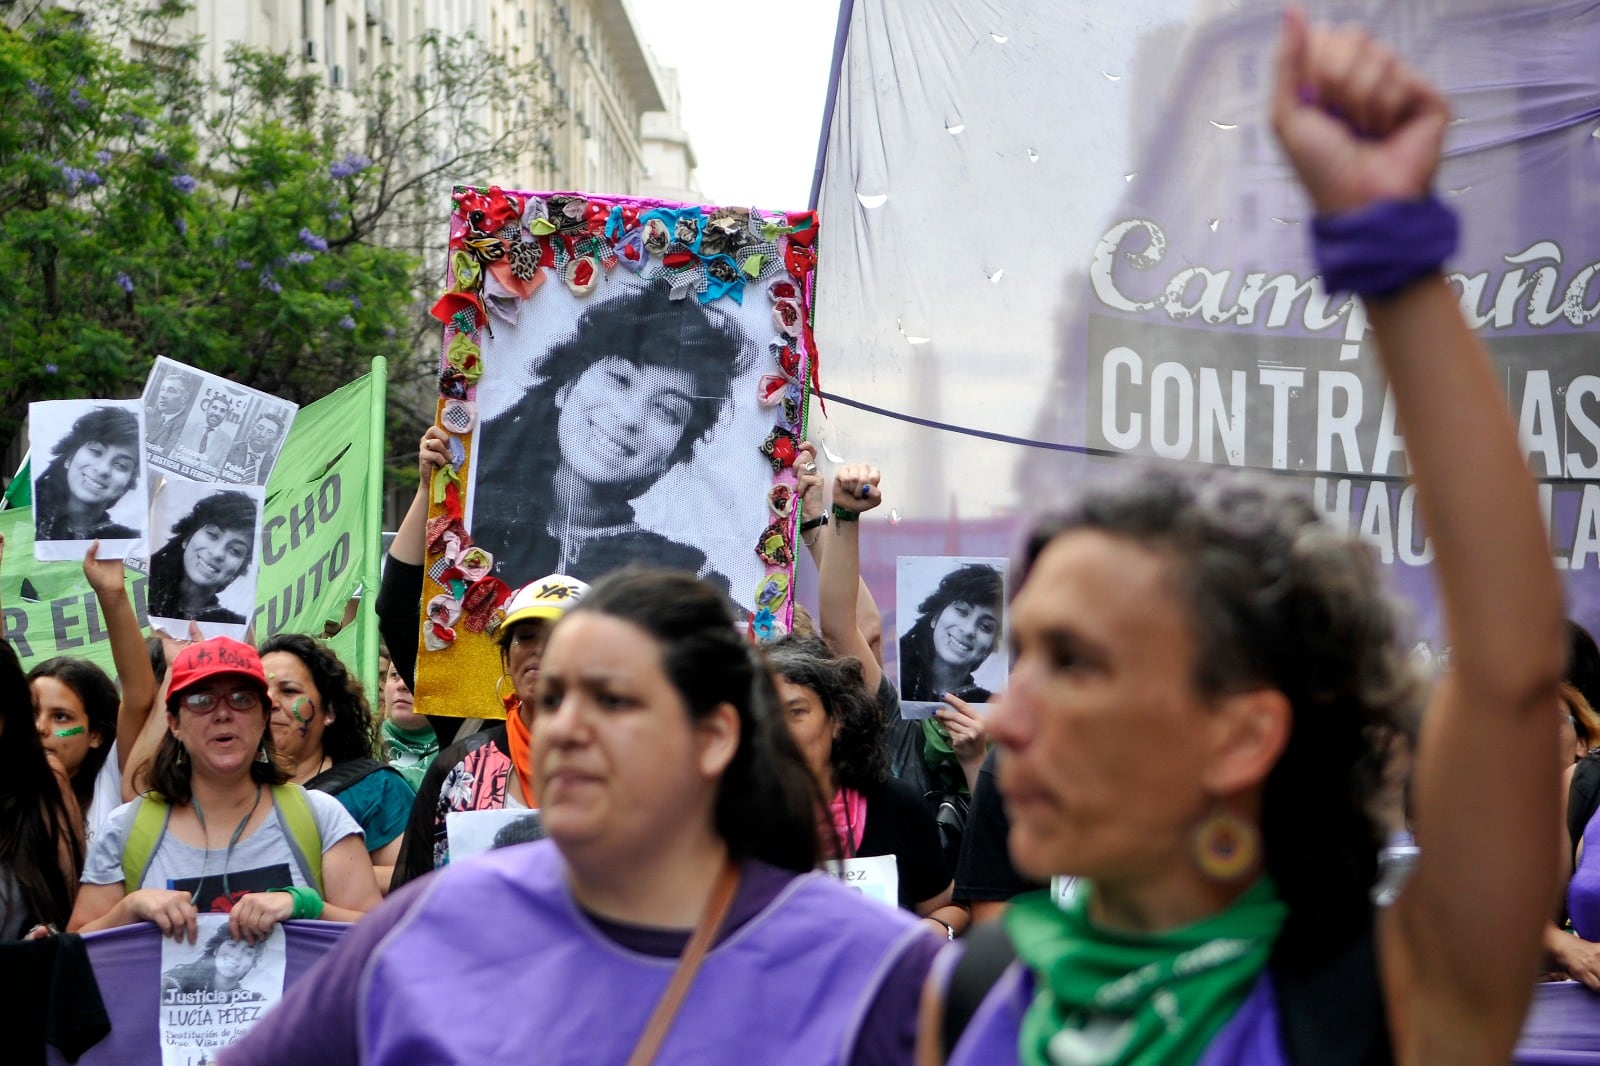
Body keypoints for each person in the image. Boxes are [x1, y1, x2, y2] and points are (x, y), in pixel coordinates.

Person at [929, 16, 1566, 1065]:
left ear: (1239, 734)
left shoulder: (1396, 996)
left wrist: (1388, 249)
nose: (1010, 714)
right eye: (1024, 653)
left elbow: (1508, 669)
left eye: (1077, 662)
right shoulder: (980, 992)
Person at [223, 569, 941, 1065]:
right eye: (556, 697)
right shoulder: (434, 924)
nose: (565, 727)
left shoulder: (877, 968)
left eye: (614, 700)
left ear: (716, 736)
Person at [69, 637, 381, 940]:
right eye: (202, 700)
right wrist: (130, 909)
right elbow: (76, 947)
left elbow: (382, 937)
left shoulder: (320, 816)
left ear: (263, 716)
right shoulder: (126, 827)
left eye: (242, 698)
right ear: (174, 723)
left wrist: (308, 907)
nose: (223, 713)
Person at [470, 285, 749, 597]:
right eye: (619, 380)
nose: (630, 418)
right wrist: (432, 489)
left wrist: (812, 528)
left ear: (675, 451)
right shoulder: (474, 515)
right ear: (567, 384)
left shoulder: (681, 579)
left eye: (667, 410)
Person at [388, 573, 588, 888]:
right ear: (507, 656)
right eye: (525, 636)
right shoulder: (459, 766)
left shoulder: (631, 770)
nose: (537, 649)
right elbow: (413, 892)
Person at [766, 637, 954, 924]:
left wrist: (930, 933)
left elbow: (945, 908)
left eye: (796, 712)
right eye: (766, 714)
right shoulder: (735, 819)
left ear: (837, 717)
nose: (780, 731)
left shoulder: (895, 805)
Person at [257, 634, 414, 894]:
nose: (270, 702)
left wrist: (318, 871)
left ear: (328, 712)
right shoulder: (229, 788)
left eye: (288, 691)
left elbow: (414, 877)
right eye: (257, 692)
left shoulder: (374, 789)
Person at [29, 542, 158, 846]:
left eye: (61, 717)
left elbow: (138, 694)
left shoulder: (111, 784)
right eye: (30, 713)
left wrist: (112, 594)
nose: (40, 728)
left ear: (96, 734)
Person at [0, 636, 83, 939]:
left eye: (61, 717)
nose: (45, 727)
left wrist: (43, 939)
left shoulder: (44, 783)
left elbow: (74, 919)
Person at [898, 563, 1004, 707]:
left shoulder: (994, 708)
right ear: (936, 615)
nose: (968, 630)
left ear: (989, 648)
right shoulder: (895, 677)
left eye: (985, 626)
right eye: (961, 611)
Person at [33, 406, 141, 543]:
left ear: (126, 485)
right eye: (96, 451)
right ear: (69, 458)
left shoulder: (130, 544)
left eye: (121, 465)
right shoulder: (27, 514)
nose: (103, 470)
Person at [147, 491, 256, 626]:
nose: (217, 553)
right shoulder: (142, 590)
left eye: (235, 550)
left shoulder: (236, 628)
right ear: (188, 537)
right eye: (212, 534)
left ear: (238, 571)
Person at [376, 654, 436, 791]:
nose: (403, 684)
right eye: (395, 674)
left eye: (416, 675)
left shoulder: (462, 760)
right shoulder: (357, 745)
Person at [162, 924, 267, 997]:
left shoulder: (250, 999)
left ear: (252, 964)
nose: (237, 956)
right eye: (232, 945)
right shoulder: (174, 983)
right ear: (216, 949)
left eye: (248, 953)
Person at [223, 411, 285, 484]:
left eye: (269, 432)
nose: (262, 434)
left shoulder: (274, 465)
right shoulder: (230, 448)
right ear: (251, 428)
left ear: (275, 440)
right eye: (260, 428)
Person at [176, 393, 234, 467]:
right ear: (207, 408)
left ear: (225, 416)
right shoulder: (188, 428)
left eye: (222, 411)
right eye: (214, 408)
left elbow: (220, 469)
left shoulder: (227, 441)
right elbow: (174, 454)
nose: (217, 413)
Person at [146, 373, 194, 454]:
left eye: (171, 391)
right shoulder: (151, 414)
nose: (162, 395)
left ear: (185, 398)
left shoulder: (185, 427)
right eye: (162, 389)